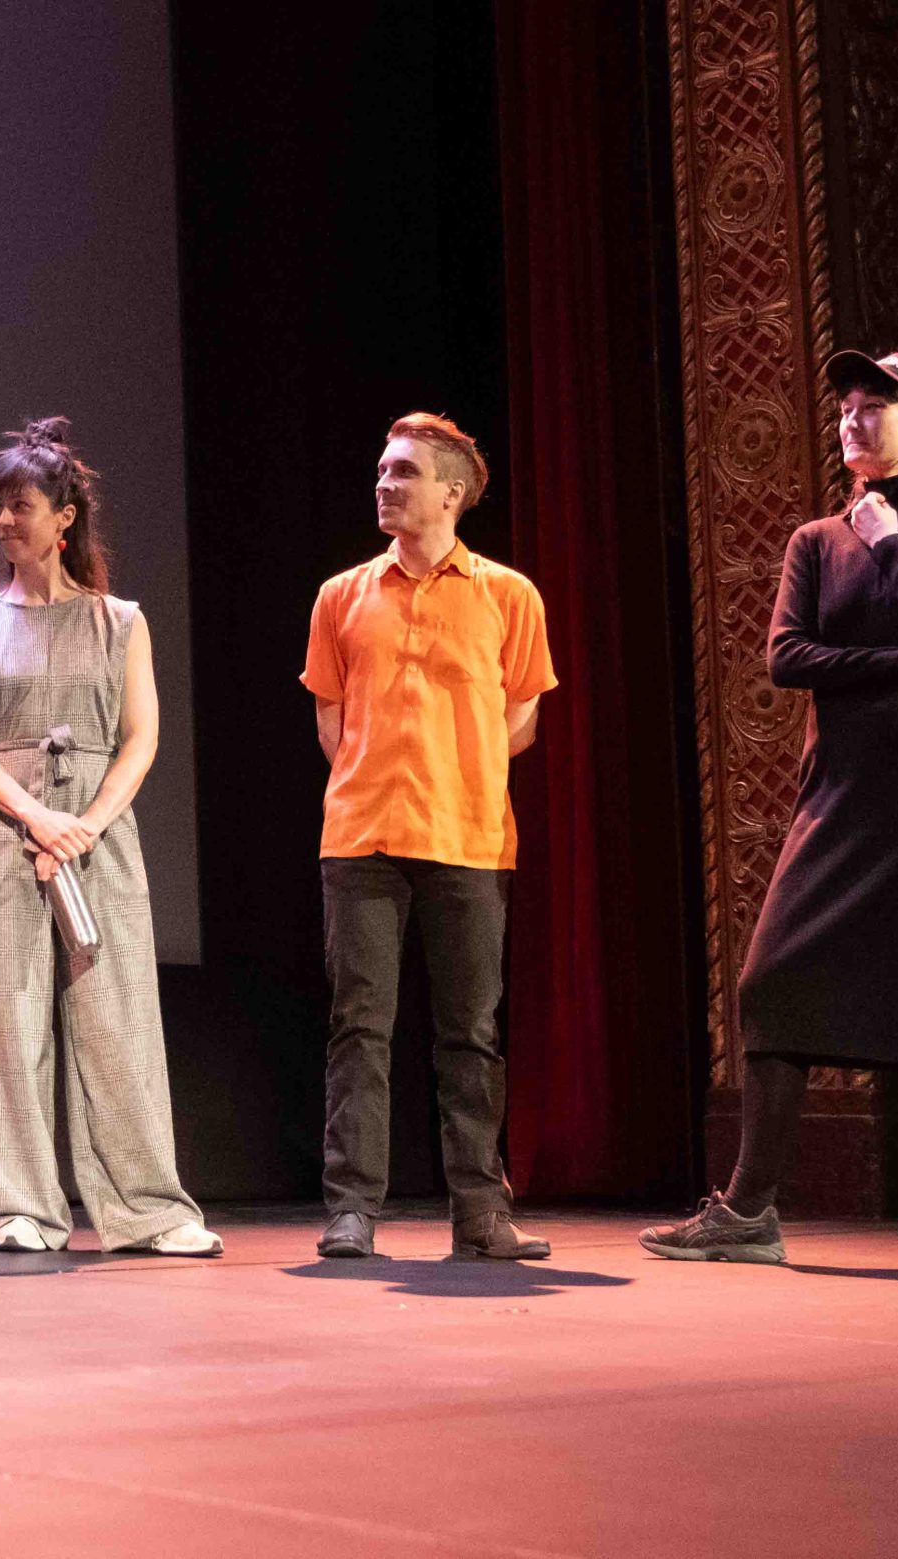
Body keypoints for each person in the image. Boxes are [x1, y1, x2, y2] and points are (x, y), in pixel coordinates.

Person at [641, 351, 898, 1272]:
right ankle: (751, 1209)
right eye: (844, 407)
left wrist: (889, 542)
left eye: (872, 406)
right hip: (842, 790)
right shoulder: (815, 539)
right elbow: (787, 658)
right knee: (773, 980)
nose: (850, 419)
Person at [0, 418, 220, 1257]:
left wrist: (86, 823)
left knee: (117, 1016)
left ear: (64, 519)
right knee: (9, 1016)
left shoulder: (120, 621)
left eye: (19, 506)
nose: (4, 522)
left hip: (99, 835)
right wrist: (36, 817)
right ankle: (19, 1206)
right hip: (4, 831)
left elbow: (142, 736)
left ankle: (148, 1209)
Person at [301, 413, 557, 1261]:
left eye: (403, 471)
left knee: (470, 1032)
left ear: (451, 492)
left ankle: (481, 1212)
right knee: (359, 1026)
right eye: (382, 469)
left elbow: (519, 715)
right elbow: (331, 719)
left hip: (470, 836)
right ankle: (351, 1209)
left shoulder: (509, 594)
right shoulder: (341, 595)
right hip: (363, 835)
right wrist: (376, 773)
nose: (384, 482)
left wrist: (459, 762)